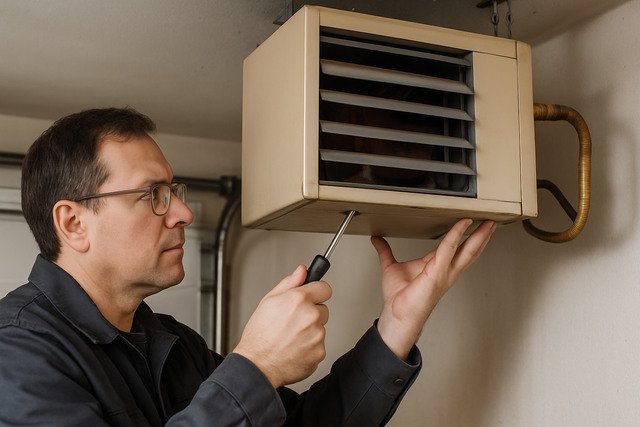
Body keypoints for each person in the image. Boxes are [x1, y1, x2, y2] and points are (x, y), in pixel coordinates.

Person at [0, 107, 496, 426]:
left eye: (175, 191)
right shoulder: (15, 352)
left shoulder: (170, 343)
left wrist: (398, 323)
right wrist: (256, 366)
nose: (184, 213)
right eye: (153, 195)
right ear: (73, 223)